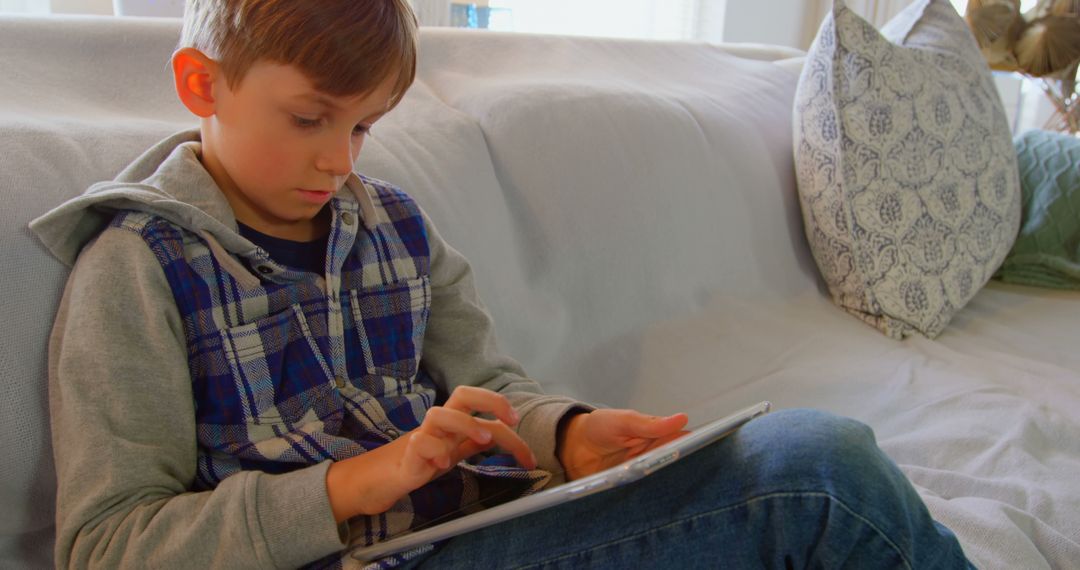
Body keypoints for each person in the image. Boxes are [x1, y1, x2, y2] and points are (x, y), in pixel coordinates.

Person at [29, 1, 973, 568]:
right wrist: (356, 483)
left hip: (485, 529)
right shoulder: (139, 267)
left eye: (362, 127)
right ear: (201, 84)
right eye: (310, 117)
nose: (336, 159)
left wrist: (562, 431)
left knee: (802, 460)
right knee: (820, 478)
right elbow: (110, 545)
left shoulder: (390, 224)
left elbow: (492, 389)